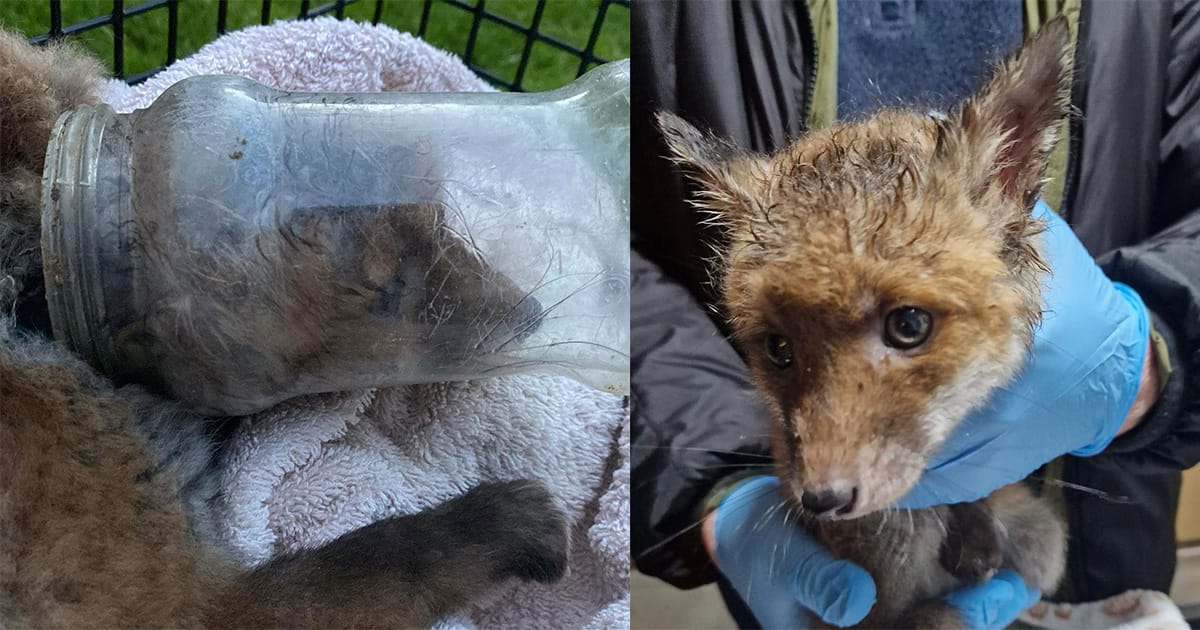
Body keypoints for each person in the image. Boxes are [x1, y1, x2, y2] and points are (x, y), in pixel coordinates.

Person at [631, 0, 1200, 627]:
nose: (824, 476)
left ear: (1008, 169)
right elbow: (620, 260)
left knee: (1038, 547)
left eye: (907, 326)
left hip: (1110, 548)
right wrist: (714, 491)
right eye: (781, 351)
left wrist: (1153, 356)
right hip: (798, 572)